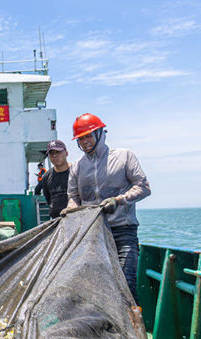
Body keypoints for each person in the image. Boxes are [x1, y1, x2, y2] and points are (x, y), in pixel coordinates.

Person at [63, 113, 150, 301]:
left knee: (126, 285)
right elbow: (73, 197)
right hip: (93, 234)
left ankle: (131, 327)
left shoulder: (124, 157)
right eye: (80, 138)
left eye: (88, 136)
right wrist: (71, 209)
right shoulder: (77, 167)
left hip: (122, 231)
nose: (85, 141)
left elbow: (143, 188)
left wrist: (119, 200)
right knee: (94, 287)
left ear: (101, 133)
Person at [36, 139, 70, 219]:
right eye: (51, 153)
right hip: (56, 222)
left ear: (66, 153)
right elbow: (48, 198)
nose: (54, 155)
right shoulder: (46, 177)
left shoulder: (76, 172)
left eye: (58, 152)